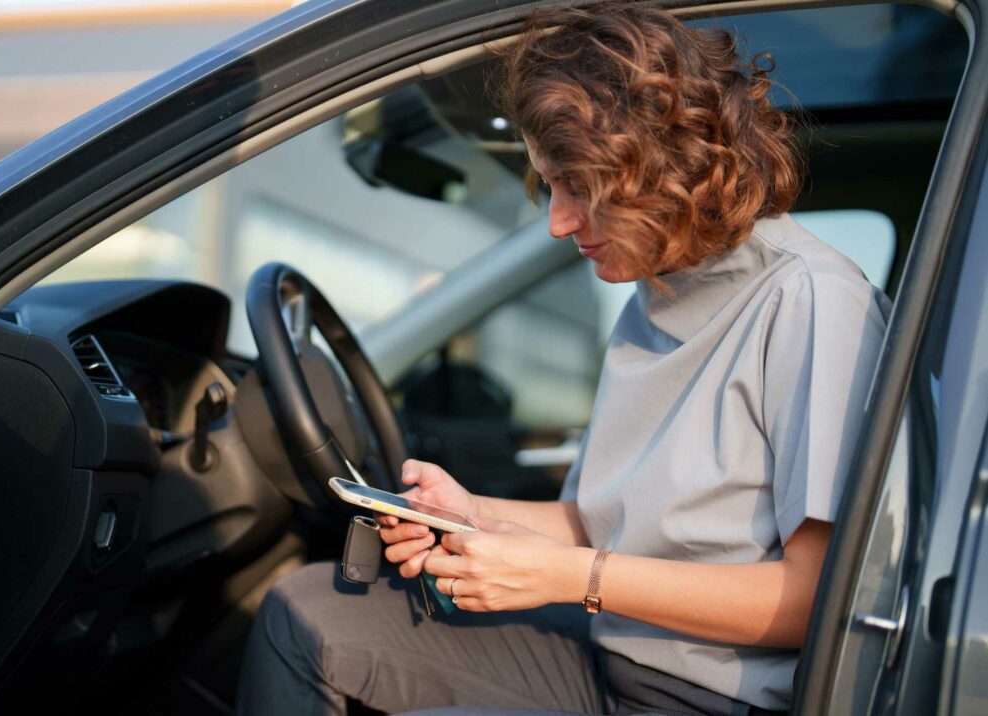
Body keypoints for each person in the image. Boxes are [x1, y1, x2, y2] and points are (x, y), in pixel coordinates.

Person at [238, 3, 890, 714]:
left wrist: (575, 578)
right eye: (549, 184)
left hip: (707, 699)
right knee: (310, 609)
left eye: (578, 187)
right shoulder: (657, 287)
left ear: (660, 169)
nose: (557, 221)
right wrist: (469, 515)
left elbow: (819, 600)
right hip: (612, 653)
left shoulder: (811, 301)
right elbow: (601, 522)